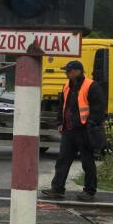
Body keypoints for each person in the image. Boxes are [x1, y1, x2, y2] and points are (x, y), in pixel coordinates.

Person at [42, 60, 106, 202]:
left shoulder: (91, 86)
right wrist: (60, 122)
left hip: (84, 130)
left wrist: (90, 123)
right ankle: (57, 189)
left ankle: (89, 192)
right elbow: (62, 106)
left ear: (77, 71)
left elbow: (99, 109)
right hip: (69, 130)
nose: (67, 73)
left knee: (87, 162)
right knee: (62, 160)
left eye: (69, 71)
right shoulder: (67, 86)